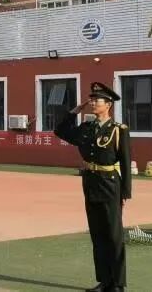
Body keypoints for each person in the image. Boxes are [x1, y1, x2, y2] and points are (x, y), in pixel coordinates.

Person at [54, 82, 131, 292]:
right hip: (90, 183)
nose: (93, 103)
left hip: (110, 185)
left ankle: (118, 284)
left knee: (114, 236)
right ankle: (104, 281)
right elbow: (60, 131)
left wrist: (125, 192)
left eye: (97, 100)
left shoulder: (118, 130)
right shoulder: (86, 128)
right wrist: (74, 111)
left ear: (108, 105)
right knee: (97, 235)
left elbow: (125, 162)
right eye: (92, 99)